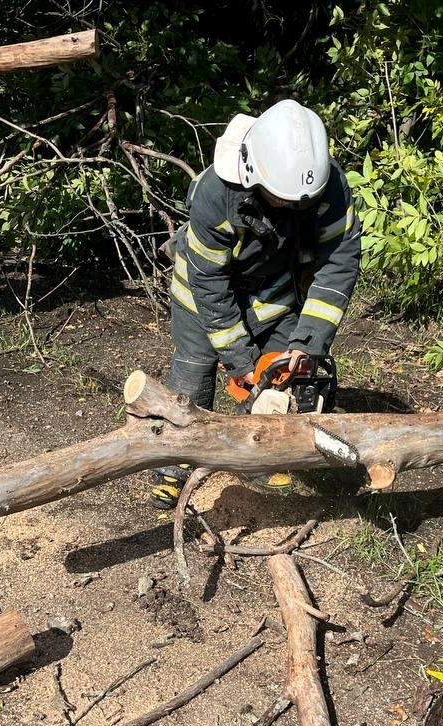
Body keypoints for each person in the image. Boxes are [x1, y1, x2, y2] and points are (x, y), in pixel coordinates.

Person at [149, 99, 362, 510]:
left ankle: (258, 453)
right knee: (194, 371)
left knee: (281, 371)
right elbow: (209, 281)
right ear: (252, 173)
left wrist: (308, 342)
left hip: (272, 289)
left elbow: (339, 261)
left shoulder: (327, 186)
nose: (292, 207)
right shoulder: (217, 193)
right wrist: (241, 362)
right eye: (281, 199)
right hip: (202, 293)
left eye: (301, 201)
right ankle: (173, 464)